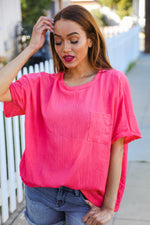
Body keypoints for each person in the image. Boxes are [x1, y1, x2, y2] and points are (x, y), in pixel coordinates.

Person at [0, 5, 141, 225]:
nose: (65, 48)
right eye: (58, 41)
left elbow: (118, 146)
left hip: (85, 201)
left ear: (91, 40)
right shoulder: (39, 85)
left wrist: (109, 207)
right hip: (41, 196)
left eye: (73, 40)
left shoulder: (113, 82)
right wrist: (30, 48)